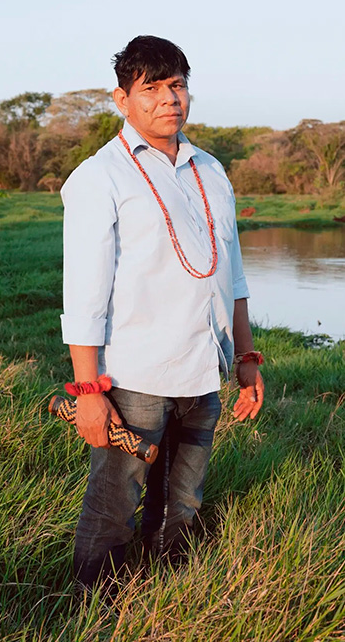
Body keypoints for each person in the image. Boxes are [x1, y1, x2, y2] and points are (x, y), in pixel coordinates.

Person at [60, 35, 264, 589]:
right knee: (113, 507)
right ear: (121, 99)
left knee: (183, 504)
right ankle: (91, 611)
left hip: (203, 369)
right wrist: (88, 392)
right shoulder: (99, 177)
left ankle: (167, 601)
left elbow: (233, 274)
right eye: (150, 88)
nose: (168, 99)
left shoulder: (211, 171)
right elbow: (83, 296)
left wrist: (245, 356)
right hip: (134, 376)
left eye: (177, 85)